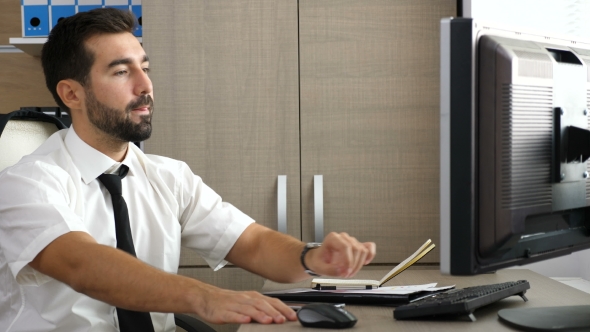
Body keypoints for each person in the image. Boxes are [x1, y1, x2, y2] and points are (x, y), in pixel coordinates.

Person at [0, 8, 376, 332]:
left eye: (145, 68)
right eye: (120, 72)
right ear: (71, 94)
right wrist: (202, 298)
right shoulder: (25, 183)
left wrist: (310, 258)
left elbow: (252, 243)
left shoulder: (169, 176)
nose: (145, 86)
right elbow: (82, 263)